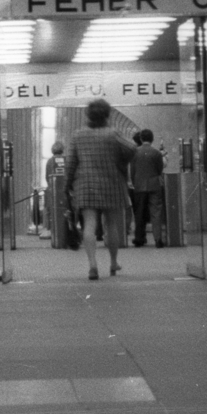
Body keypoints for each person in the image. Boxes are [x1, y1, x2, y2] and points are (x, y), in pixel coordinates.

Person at [64, 99, 135, 279]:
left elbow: (71, 163)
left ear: (88, 114)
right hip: (112, 183)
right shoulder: (113, 134)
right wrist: (120, 162)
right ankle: (113, 263)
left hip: (86, 185)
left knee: (89, 224)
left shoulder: (78, 135)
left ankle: (93, 265)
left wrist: (68, 184)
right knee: (111, 224)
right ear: (107, 114)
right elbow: (132, 148)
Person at [128, 129, 166, 248]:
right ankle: (158, 238)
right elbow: (159, 170)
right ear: (152, 139)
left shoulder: (134, 152)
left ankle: (139, 238)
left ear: (141, 139)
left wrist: (134, 182)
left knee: (139, 213)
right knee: (156, 212)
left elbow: (132, 170)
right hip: (154, 185)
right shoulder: (156, 153)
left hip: (139, 185)